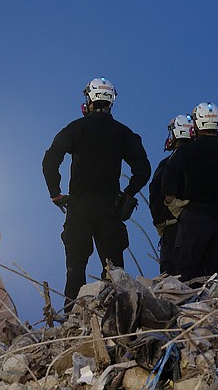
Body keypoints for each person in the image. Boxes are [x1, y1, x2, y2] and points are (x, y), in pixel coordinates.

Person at [42, 77, 151, 312]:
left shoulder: (75, 129)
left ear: (88, 100)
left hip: (79, 207)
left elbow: (50, 161)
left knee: (75, 268)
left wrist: (55, 193)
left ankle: (72, 316)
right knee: (115, 272)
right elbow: (143, 170)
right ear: (111, 101)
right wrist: (128, 194)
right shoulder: (123, 133)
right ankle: (119, 316)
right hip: (109, 209)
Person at [161, 102, 218, 282]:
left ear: (196, 123)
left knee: (186, 276)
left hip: (193, 219)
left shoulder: (185, 152)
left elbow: (168, 181)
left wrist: (174, 203)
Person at [148, 114, 194, 275]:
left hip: (174, 230)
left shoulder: (169, 163)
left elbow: (155, 192)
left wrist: (160, 221)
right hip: (204, 229)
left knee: (172, 281)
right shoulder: (206, 160)